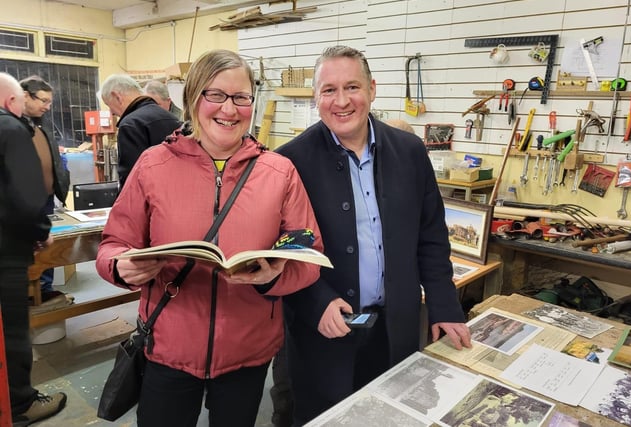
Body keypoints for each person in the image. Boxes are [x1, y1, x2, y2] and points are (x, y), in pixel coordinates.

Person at [95, 49, 323, 427]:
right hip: (168, 347)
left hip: (247, 351)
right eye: (215, 95)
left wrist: (275, 275)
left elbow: (309, 253)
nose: (229, 110)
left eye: (241, 97)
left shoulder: (279, 173)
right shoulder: (153, 165)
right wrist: (121, 267)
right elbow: (112, 245)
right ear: (192, 98)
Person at [276, 45, 472, 425]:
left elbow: (430, 236)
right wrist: (316, 301)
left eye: (352, 87)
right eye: (329, 90)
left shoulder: (410, 151)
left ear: (373, 89)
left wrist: (445, 306)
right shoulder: (290, 161)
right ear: (316, 97)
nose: (342, 101)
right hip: (325, 333)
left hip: (394, 327)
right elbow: (287, 249)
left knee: (390, 415)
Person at [0, 72, 68, 425]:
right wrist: (42, 230)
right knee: (12, 330)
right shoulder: (12, 130)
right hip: (7, 249)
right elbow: (27, 198)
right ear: (14, 101)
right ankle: (22, 404)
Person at [19, 75, 71, 304]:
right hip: (24, 200)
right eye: (43, 100)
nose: (47, 107)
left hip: (47, 197)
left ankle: (45, 288)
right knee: (28, 245)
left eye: (49, 102)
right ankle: (27, 293)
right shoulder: (12, 125)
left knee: (48, 244)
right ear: (24, 96)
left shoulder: (42, 125)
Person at [99, 74, 182, 189]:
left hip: (150, 202)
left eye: (109, 105)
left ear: (117, 97)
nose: (111, 112)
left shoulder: (130, 125)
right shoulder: (173, 118)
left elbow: (131, 181)